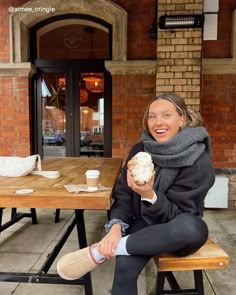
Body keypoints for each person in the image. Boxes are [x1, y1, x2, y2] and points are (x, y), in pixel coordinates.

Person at [57, 92, 215, 295]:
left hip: (176, 229)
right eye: (152, 116)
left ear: (181, 119)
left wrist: (149, 195)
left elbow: (181, 213)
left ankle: (105, 250)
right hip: (144, 223)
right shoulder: (140, 150)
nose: (158, 122)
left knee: (194, 228)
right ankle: (118, 246)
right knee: (124, 268)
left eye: (167, 115)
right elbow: (123, 196)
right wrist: (115, 227)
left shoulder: (198, 160)